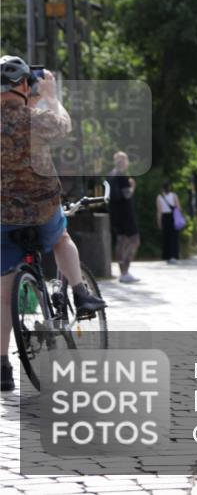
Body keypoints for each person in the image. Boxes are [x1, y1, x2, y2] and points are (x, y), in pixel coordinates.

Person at [1, 57, 107, 392]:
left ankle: (3, 369)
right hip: (43, 212)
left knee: (3, 297)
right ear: (23, 86)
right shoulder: (34, 119)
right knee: (61, 236)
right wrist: (51, 95)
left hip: (2, 221)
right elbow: (63, 124)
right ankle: (80, 293)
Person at [107, 151, 141, 283]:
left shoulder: (110, 175)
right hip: (126, 214)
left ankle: (122, 273)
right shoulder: (123, 176)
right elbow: (127, 195)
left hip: (115, 213)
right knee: (134, 240)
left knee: (121, 241)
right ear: (124, 162)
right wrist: (132, 186)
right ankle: (125, 271)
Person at [157, 182, 181, 263]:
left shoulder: (159, 197)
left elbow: (159, 211)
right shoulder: (174, 195)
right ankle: (174, 256)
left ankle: (167, 256)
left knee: (166, 237)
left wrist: (159, 222)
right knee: (174, 237)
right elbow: (178, 208)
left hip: (164, 217)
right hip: (173, 217)